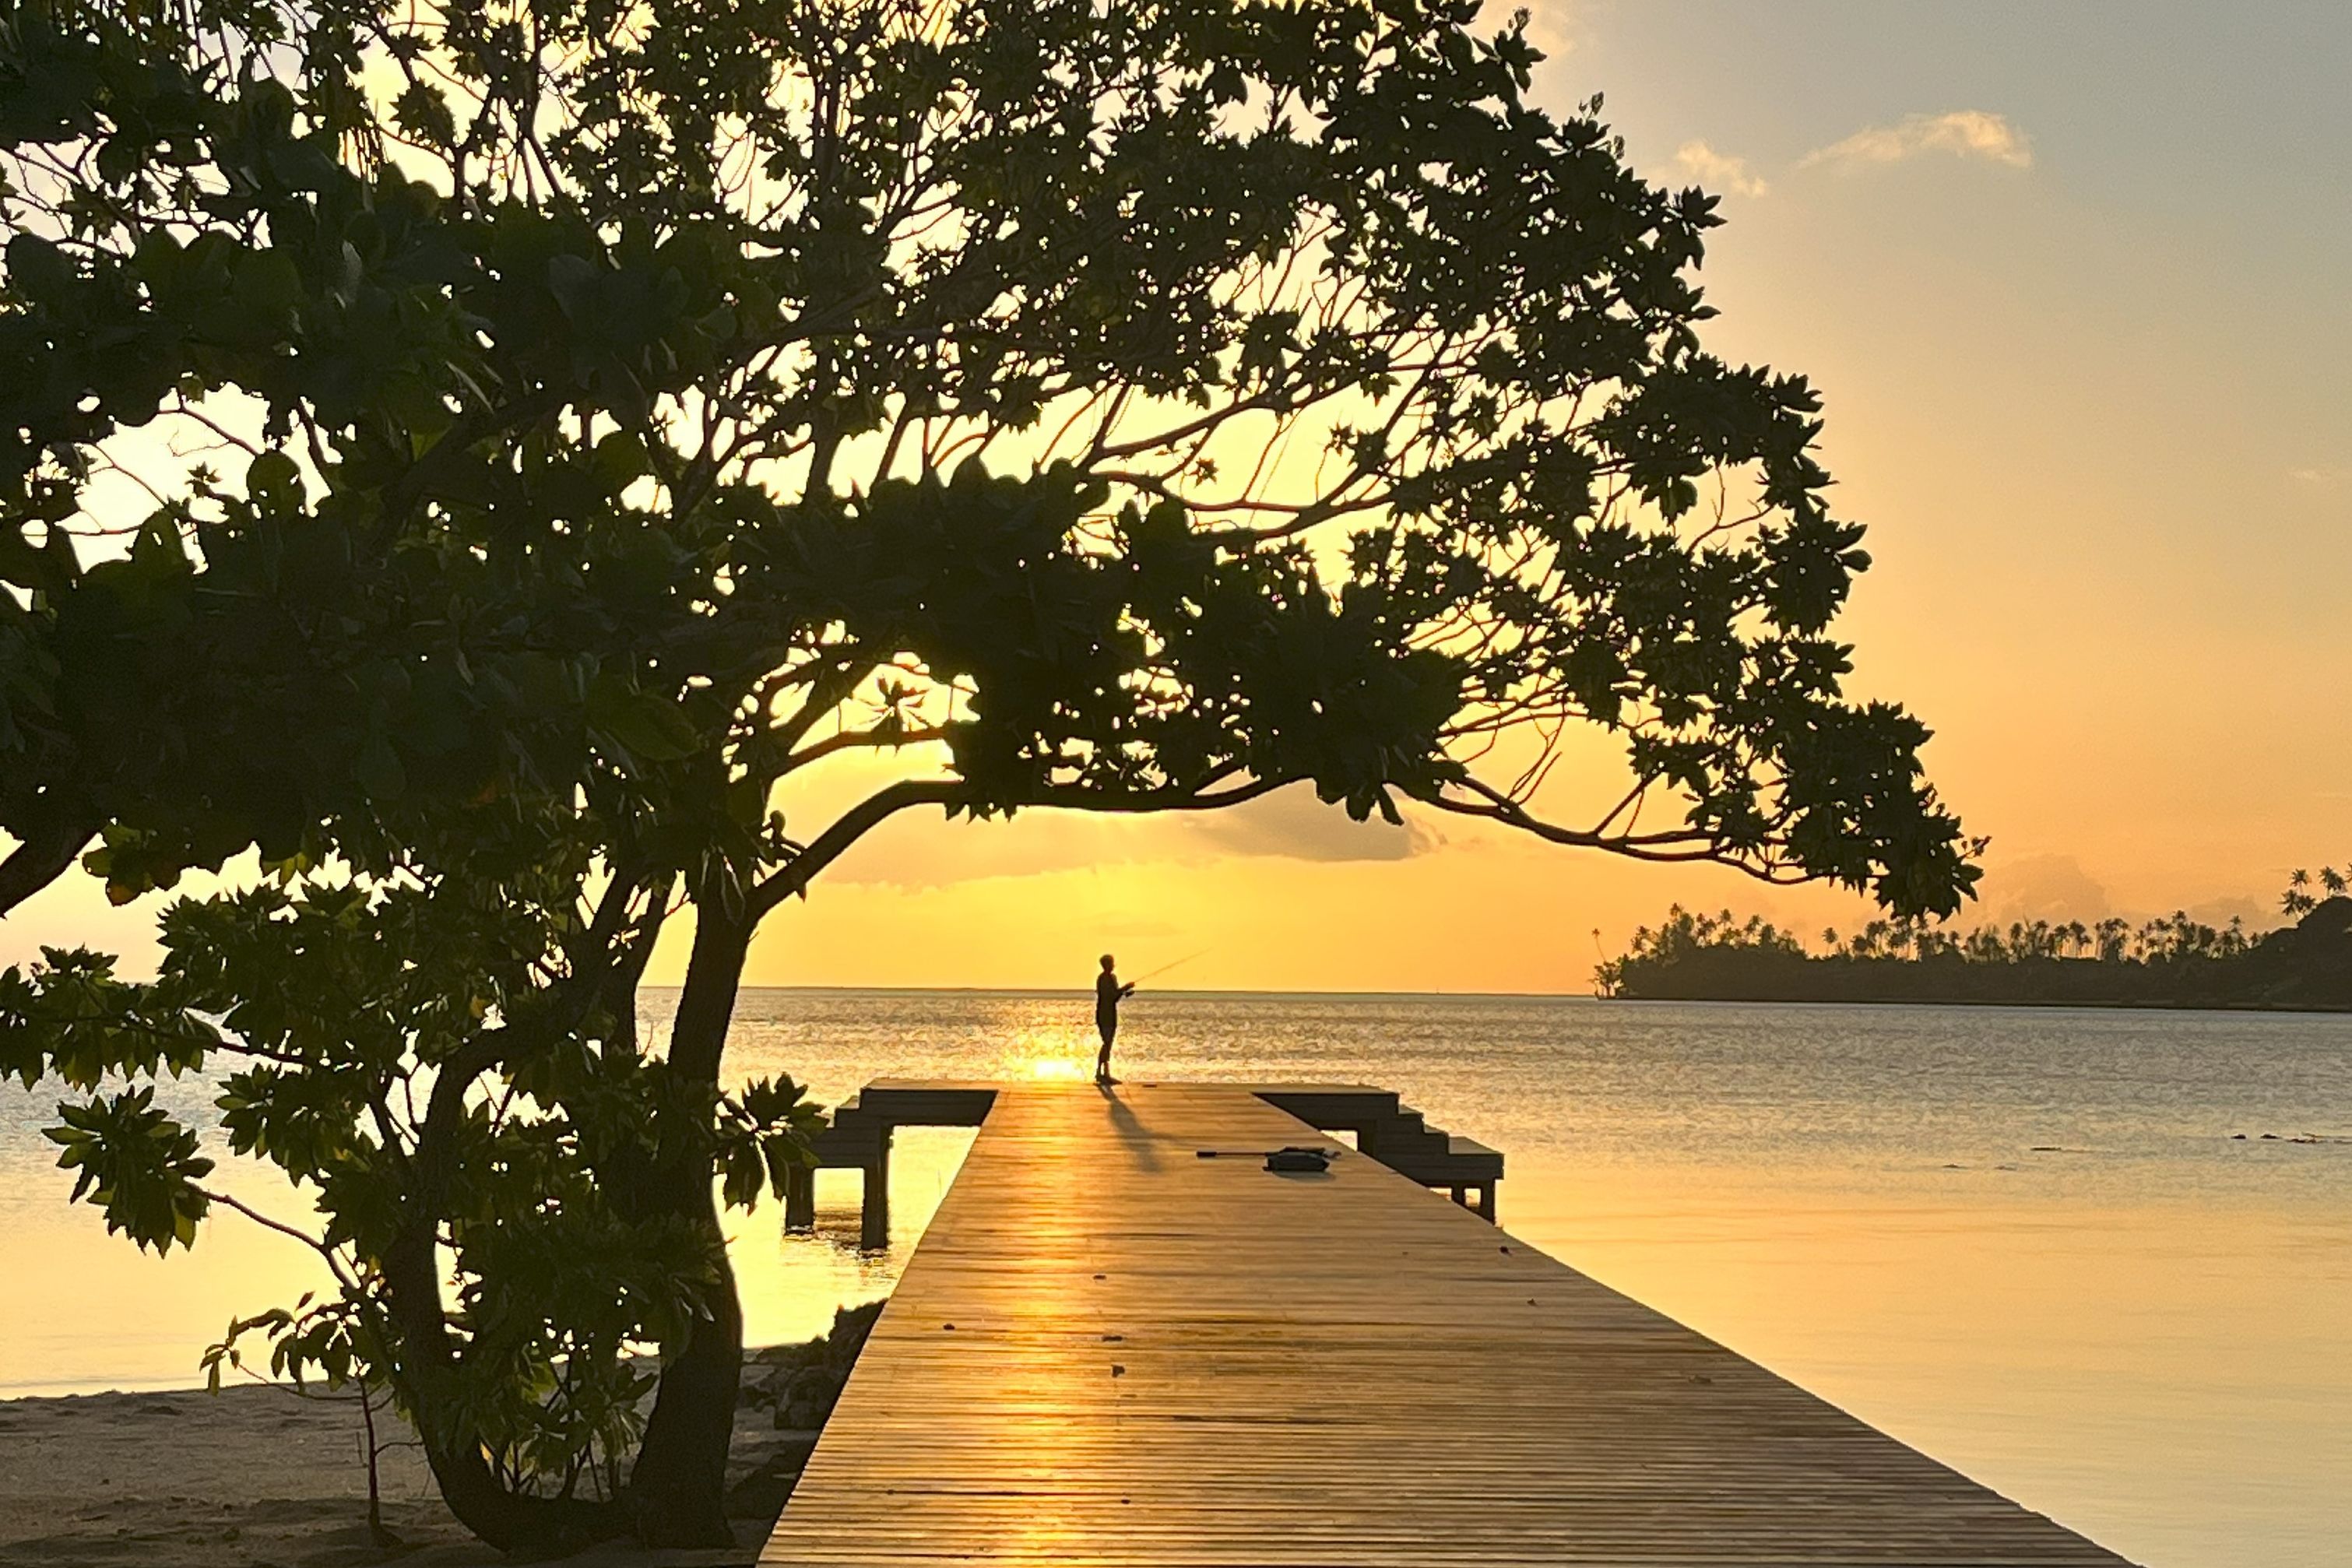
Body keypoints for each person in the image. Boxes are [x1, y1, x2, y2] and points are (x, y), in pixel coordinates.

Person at [1094, 954, 1135, 1084]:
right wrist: (1125, 988)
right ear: (1106, 965)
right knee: (1107, 1042)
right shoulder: (1103, 979)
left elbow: (1115, 998)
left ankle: (1103, 1073)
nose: (1112, 965)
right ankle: (1102, 1073)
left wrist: (1123, 993)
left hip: (1110, 1013)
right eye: (1111, 963)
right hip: (1104, 1014)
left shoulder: (1111, 978)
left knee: (1108, 1043)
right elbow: (1110, 996)